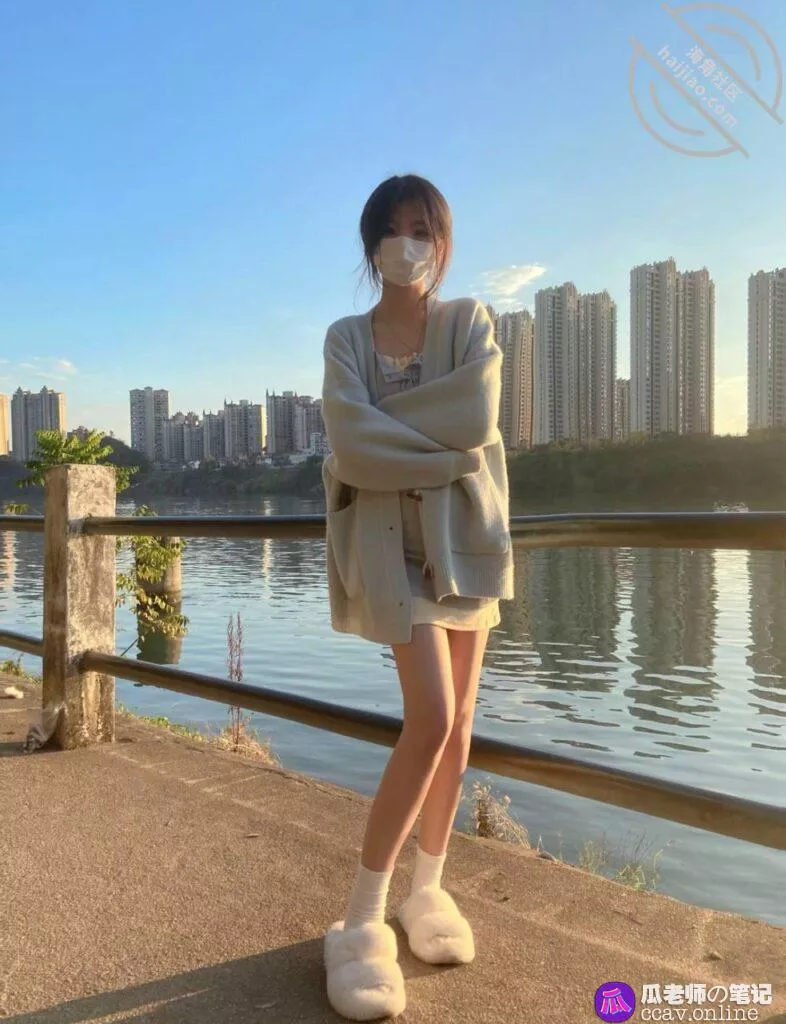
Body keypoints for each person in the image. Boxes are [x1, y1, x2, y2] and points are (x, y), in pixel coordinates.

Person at [320, 173, 514, 1021]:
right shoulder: (346, 338)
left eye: (424, 229)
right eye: (395, 229)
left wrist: (403, 437)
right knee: (429, 718)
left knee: (460, 725)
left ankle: (426, 890)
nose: (410, 244)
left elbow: (476, 416)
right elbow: (351, 443)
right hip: (387, 546)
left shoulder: (470, 322)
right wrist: (441, 456)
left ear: (443, 241)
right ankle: (361, 918)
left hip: (465, 540)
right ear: (372, 244)